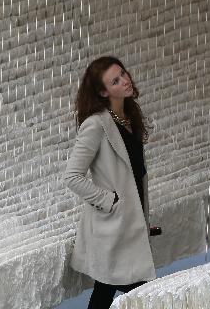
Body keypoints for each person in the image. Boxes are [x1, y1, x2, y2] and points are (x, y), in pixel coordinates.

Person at [64, 55, 162, 309]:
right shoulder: (96, 125)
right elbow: (72, 176)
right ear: (102, 91)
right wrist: (110, 201)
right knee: (145, 295)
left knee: (107, 291)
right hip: (114, 226)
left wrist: (141, 216)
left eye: (123, 74)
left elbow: (135, 174)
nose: (125, 81)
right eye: (115, 81)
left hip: (131, 220)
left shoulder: (129, 116)